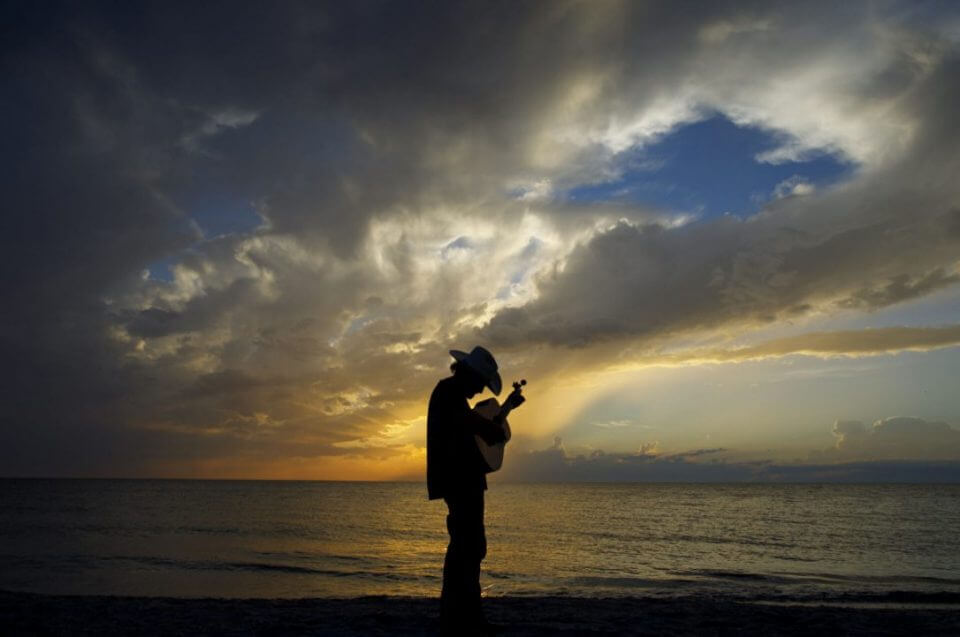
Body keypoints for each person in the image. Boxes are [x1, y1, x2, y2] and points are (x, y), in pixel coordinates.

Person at [427, 346, 525, 636]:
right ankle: (461, 620)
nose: (481, 388)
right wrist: (500, 424)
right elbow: (483, 430)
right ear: (469, 373)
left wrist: (505, 407)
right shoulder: (449, 395)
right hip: (460, 480)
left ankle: (463, 617)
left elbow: (480, 429)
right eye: (481, 381)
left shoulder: (452, 396)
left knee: (469, 547)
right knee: (466, 548)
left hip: (463, 479)